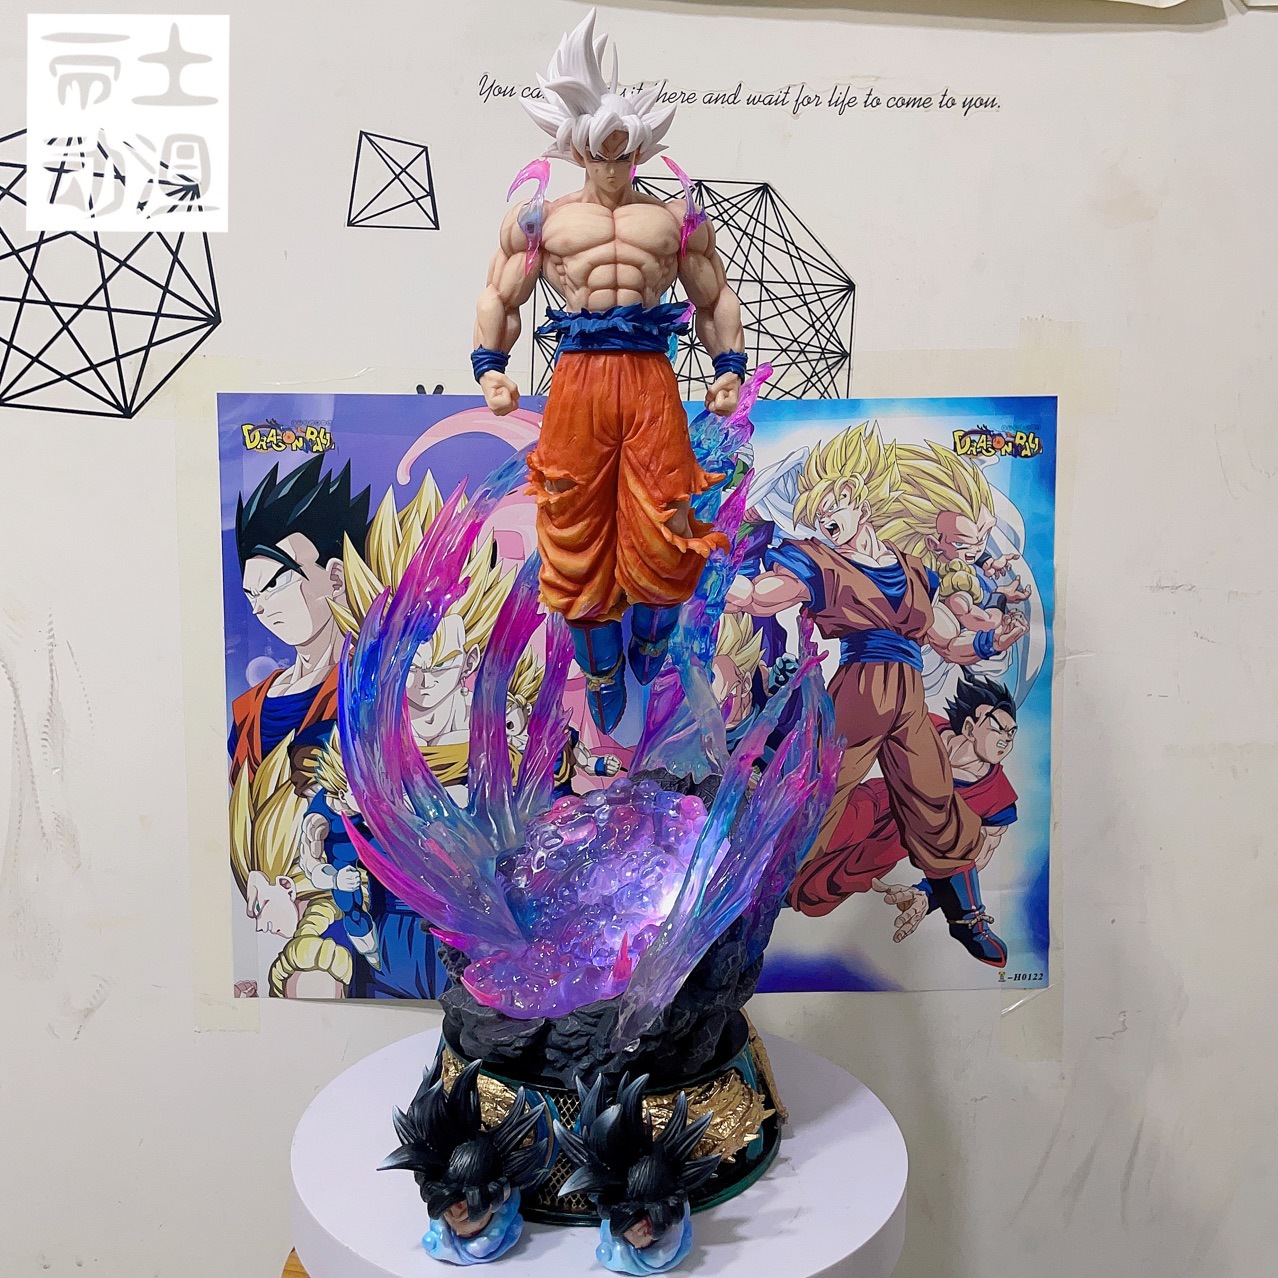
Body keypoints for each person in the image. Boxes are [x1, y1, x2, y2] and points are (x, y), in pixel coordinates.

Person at [471, 9, 748, 733]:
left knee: (667, 517)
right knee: (572, 523)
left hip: (651, 377)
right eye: (603, 154)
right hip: (579, 382)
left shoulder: (674, 220)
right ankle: (601, 671)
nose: (615, 167)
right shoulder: (544, 221)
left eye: (626, 155)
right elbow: (500, 294)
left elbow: (714, 295)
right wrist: (490, 368)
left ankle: (650, 644)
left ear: (640, 151)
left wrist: (728, 367)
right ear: (578, 150)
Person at [726, 422, 1027, 966]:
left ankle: (967, 917)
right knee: (815, 796)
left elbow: (948, 640)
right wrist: (721, 581)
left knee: (934, 796)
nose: (823, 521)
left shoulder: (914, 572)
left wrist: (990, 640)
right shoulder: (819, 562)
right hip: (859, 694)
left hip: (908, 699)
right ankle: (747, 899)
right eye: (815, 514)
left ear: (858, 497)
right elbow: (764, 596)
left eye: (830, 506)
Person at [791, 672, 1020, 965]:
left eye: (1011, 733)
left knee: (824, 891)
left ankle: (968, 921)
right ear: (969, 726)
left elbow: (980, 853)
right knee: (822, 832)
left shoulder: (999, 796)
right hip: (875, 801)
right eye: (999, 728)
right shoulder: (927, 730)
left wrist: (928, 895)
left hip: (898, 842)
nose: (1005, 739)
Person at [229, 456, 370, 782]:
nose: (258, 609)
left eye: (273, 585)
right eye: (252, 595)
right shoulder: (248, 710)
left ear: (336, 578)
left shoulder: (376, 689)